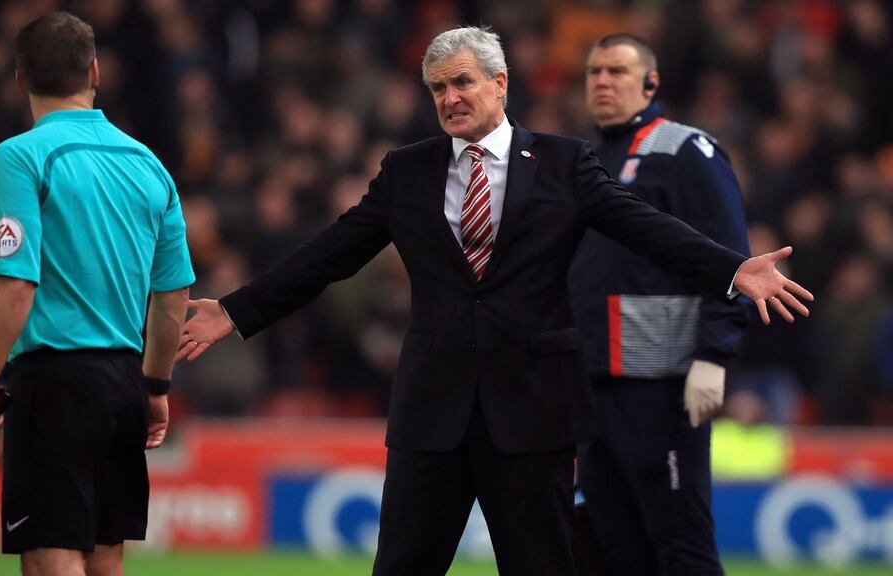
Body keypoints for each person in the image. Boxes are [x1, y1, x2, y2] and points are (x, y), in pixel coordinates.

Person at [179, 26, 811, 576]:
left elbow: (643, 226)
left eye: (462, 83)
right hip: (432, 414)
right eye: (437, 89)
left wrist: (733, 271)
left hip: (533, 413)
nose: (449, 99)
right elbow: (329, 254)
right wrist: (236, 310)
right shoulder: (408, 170)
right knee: (400, 568)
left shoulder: (565, 164)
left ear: (500, 83)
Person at [0, 12, 194, 576]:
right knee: (105, 560)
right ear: (95, 71)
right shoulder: (150, 165)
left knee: (51, 560)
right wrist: (155, 386)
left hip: (55, 383)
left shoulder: (20, 156)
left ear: (19, 80)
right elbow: (173, 295)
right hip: (123, 383)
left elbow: (15, 285)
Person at [568, 34, 749, 576]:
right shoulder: (587, 159)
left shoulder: (685, 150)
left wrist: (714, 355)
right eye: (594, 71)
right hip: (593, 381)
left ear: (651, 83)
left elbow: (731, 258)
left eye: (617, 71)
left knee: (680, 545)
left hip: (662, 381)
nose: (602, 81)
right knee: (612, 545)